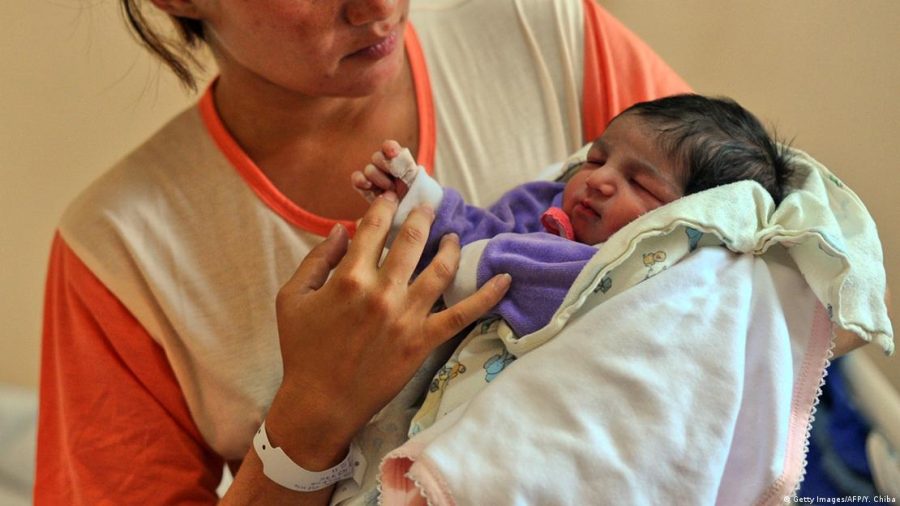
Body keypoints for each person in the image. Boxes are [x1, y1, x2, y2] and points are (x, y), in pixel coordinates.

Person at [32, 1, 869, 505]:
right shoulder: (121, 254)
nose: (379, 5)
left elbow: (756, 279)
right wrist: (308, 421)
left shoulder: (544, 32)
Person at [353, 94, 794, 338]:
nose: (600, 180)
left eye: (640, 184)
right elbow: (474, 237)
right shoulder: (545, 203)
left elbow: (509, 276)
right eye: (598, 157)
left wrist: (474, 262)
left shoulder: (633, 273)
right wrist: (418, 200)